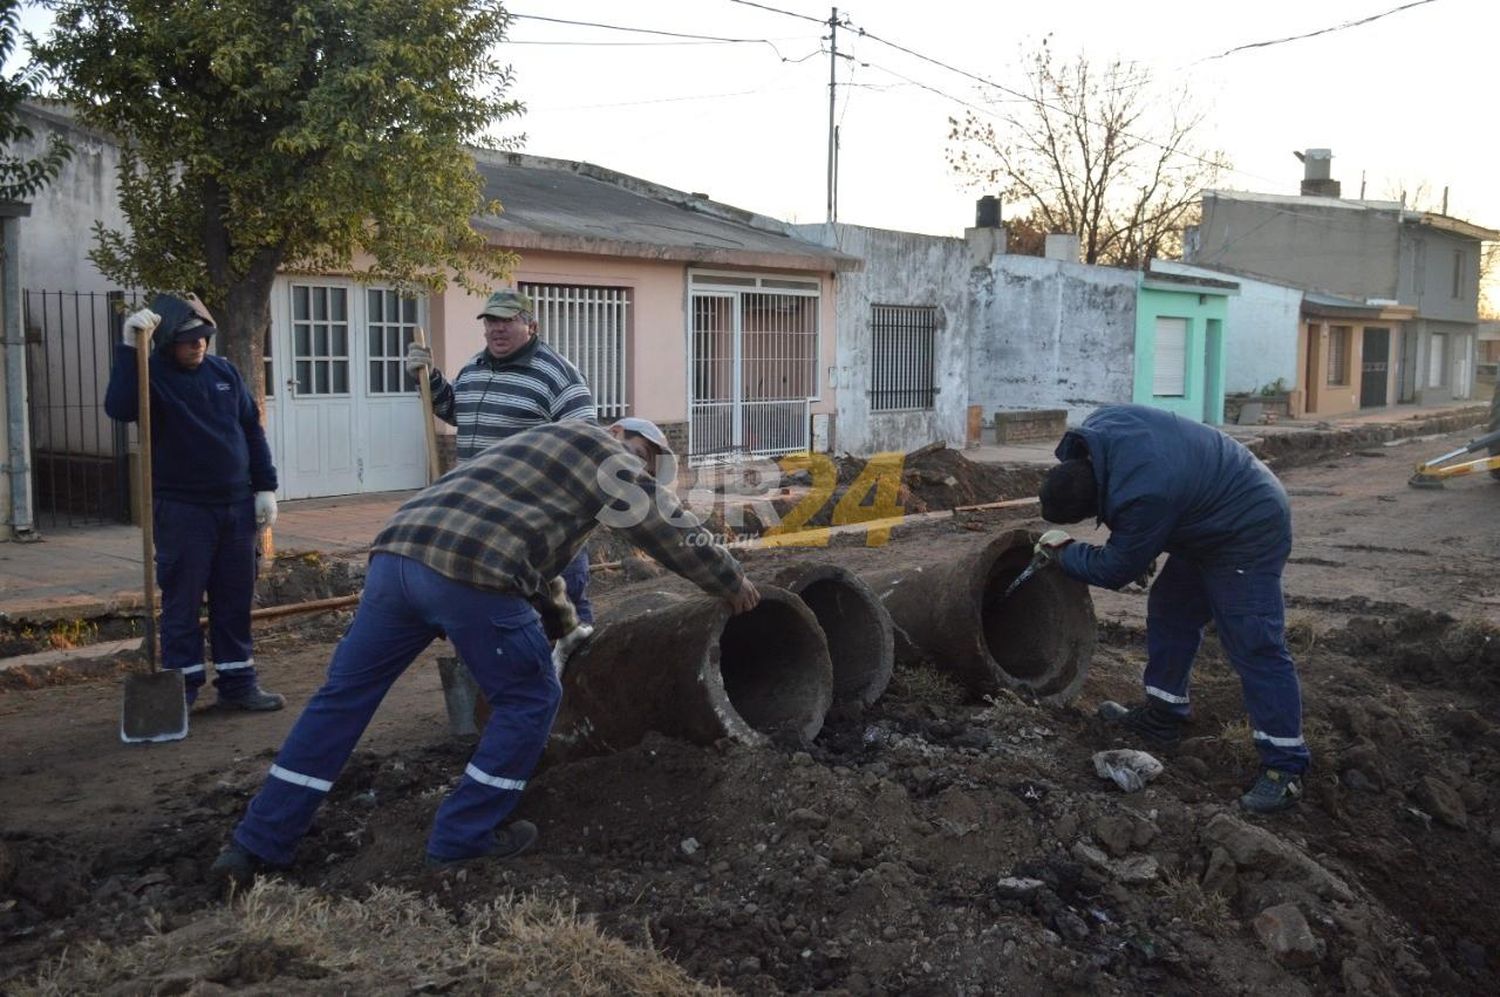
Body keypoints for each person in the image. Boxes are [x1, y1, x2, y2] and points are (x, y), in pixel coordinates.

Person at [210, 418, 759, 885]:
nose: (636, 465)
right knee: (530, 700)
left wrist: (568, 631)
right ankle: (462, 836)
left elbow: (538, 573)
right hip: (469, 573)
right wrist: (729, 580)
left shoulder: (543, 448)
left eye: (645, 464)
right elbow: (662, 523)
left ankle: (255, 843)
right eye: (638, 453)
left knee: (342, 699)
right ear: (617, 434)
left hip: (397, 556)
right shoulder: (600, 448)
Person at [1033, 404, 1307, 814]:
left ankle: (1285, 769)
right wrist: (1139, 541)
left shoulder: (1146, 493)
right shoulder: (1098, 430)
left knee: (1253, 642)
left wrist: (1065, 553)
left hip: (1248, 524)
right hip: (1207, 510)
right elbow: (1149, 505)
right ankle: (1163, 715)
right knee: (1171, 610)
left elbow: (1114, 569)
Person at [103, 293, 284, 712]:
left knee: (234, 598)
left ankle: (238, 683)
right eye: (188, 339)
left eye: (204, 337)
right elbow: (119, 407)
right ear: (167, 341)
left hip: (236, 508)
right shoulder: (153, 378)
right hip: (183, 510)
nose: (198, 345)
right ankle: (180, 692)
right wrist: (131, 349)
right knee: (182, 602)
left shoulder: (225, 373)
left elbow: (251, 432)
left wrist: (265, 487)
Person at [405, 288, 598, 623]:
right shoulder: (475, 367)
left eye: (507, 321)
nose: (497, 328)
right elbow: (455, 410)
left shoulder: (557, 375)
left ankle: (576, 670)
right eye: (491, 320)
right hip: (481, 516)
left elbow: (584, 444)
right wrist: (429, 379)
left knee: (563, 607)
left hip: (536, 521)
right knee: (499, 606)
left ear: (531, 326)